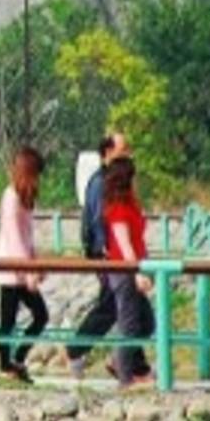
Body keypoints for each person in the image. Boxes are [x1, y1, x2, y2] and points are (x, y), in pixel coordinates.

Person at [66, 134, 150, 380]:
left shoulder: (115, 183)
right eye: (123, 151)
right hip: (109, 257)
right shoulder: (101, 183)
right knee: (116, 308)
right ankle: (83, 351)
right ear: (107, 153)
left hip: (115, 257)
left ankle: (130, 363)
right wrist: (105, 254)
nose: (128, 156)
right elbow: (99, 221)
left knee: (126, 309)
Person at [0, 147, 50, 383]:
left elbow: (27, 237)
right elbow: (14, 238)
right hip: (9, 266)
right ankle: (7, 365)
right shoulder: (11, 196)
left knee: (39, 316)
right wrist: (29, 270)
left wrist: (35, 263)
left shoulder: (24, 196)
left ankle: (16, 359)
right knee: (9, 319)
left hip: (20, 265)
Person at [102, 157, 155, 389]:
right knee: (130, 324)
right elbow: (125, 246)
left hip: (135, 267)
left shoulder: (131, 203)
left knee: (147, 322)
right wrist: (136, 273)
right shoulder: (118, 209)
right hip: (124, 272)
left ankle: (118, 360)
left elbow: (137, 239)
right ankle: (125, 378)